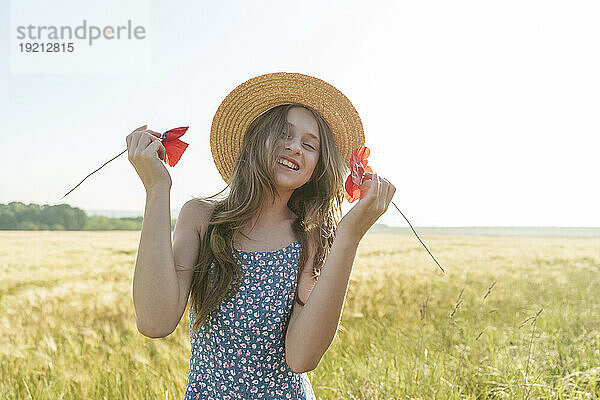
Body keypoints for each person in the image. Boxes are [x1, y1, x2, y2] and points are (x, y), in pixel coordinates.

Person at [127, 72, 396, 399]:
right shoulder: (200, 219)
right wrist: (157, 189)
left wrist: (348, 237)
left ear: (315, 169)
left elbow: (302, 358)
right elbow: (155, 322)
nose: (296, 147)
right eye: (284, 134)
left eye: (309, 145)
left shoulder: (309, 239)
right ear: (255, 140)